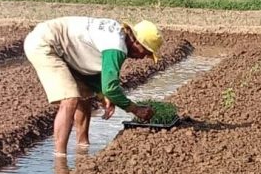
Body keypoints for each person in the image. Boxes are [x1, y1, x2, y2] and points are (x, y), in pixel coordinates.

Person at [24, 16, 162, 156]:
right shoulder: (116, 46)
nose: (143, 57)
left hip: (65, 49)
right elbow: (111, 87)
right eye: (146, 52)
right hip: (46, 44)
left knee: (85, 96)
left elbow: (88, 69)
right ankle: (60, 157)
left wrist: (102, 95)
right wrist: (135, 109)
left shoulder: (116, 37)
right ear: (137, 43)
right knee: (70, 99)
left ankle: (82, 145)